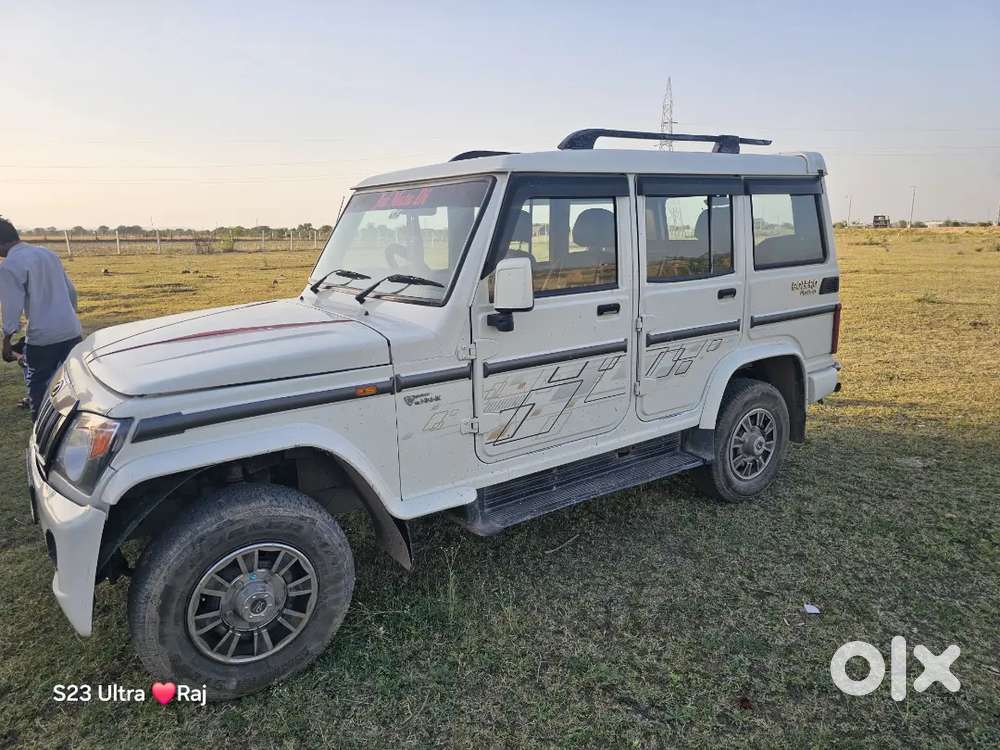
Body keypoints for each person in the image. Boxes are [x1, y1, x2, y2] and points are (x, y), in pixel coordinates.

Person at [0, 216, 82, 419]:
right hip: (71, 329)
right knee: (73, 380)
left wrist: (6, 341)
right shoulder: (48, 254)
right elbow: (71, 291)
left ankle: (41, 425)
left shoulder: (10, 265)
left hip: (43, 337)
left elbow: (11, 308)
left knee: (38, 383)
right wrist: (68, 316)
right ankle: (75, 420)